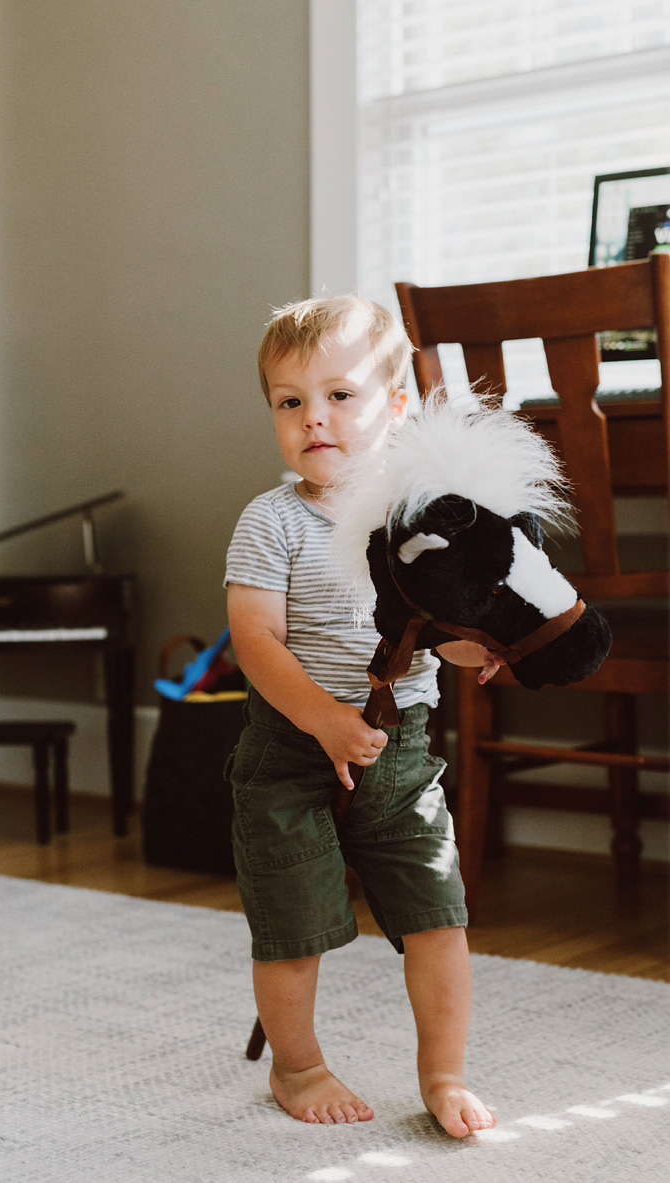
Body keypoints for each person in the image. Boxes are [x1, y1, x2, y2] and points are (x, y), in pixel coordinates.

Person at [224, 295, 502, 1137]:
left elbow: (444, 629)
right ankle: (298, 1064)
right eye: (290, 401)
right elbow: (256, 641)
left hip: (399, 752)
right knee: (292, 923)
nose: (314, 417)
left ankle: (444, 1072)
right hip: (289, 749)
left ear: (397, 405)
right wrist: (321, 718)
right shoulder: (271, 521)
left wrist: (483, 645)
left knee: (437, 914)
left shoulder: (419, 524)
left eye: (339, 395)